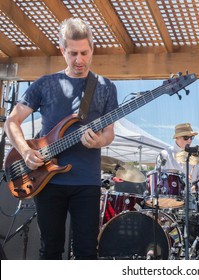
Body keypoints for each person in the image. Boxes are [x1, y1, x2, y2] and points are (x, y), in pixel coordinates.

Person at [4, 18, 118, 259]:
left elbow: (109, 133)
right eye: (73, 53)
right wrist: (25, 151)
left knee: (87, 250)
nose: (79, 60)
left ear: (92, 49)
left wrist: (99, 142)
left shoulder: (106, 87)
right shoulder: (45, 84)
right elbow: (12, 122)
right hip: (47, 181)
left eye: (85, 53)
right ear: (62, 50)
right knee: (50, 249)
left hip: (87, 182)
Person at [158, 123, 199, 255]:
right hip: (171, 197)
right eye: (186, 137)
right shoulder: (166, 154)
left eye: (191, 138)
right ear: (177, 138)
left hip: (191, 197)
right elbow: (158, 179)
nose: (189, 141)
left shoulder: (196, 156)